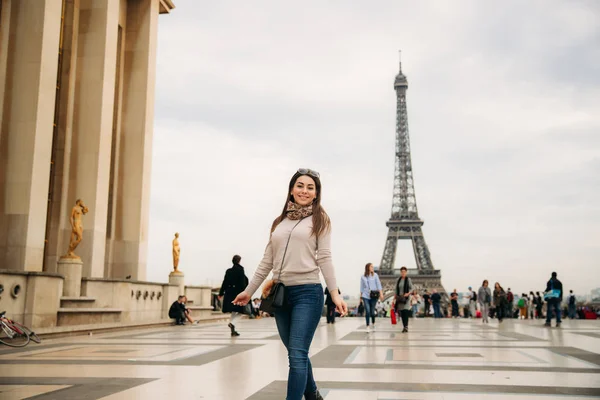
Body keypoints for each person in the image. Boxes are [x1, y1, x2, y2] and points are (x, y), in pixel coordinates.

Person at [232, 168, 347, 400]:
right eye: (300, 185)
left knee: (296, 354)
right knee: (297, 353)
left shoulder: (320, 220)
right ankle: (313, 394)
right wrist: (248, 291)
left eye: (310, 187)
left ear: (316, 194)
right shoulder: (280, 221)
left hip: (308, 293)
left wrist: (334, 293)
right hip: (280, 294)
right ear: (292, 190)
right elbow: (267, 261)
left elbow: (324, 257)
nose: (304, 191)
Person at [218, 255, 249, 337]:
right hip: (237, 294)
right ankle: (232, 323)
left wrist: (221, 293)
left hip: (229, 293)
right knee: (240, 311)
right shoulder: (240, 269)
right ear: (239, 261)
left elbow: (224, 282)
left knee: (234, 311)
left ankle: (233, 330)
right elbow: (243, 282)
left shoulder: (228, 271)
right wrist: (246, 293)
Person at [360, 263, 383, 332]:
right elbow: (361, 287)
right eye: (371, 266)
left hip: (373, 296)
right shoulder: (363, 277)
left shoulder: (375, 275)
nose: (373, 268)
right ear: (368, 267)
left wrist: (381, 294)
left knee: (372, 312)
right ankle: (367, 326)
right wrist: (360, 297)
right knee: (367, 311)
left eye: (373, 266)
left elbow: (378, 285)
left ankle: (373, 323)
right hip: (365, 295)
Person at [394, 266, 414, 332]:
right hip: (400, 298)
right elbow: (396, 290)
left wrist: (408, 293)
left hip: (406, 299)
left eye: (404, 272)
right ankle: (404, 326)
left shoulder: (408, 280)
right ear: (400, 272)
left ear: (406, 272)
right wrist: (394, 298)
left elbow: (412, 288)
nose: (403, 273)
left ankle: (406, 326)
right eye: (402, 272)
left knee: (405, 311)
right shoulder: (398, 280)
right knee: (402, 313)